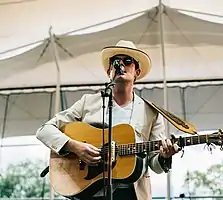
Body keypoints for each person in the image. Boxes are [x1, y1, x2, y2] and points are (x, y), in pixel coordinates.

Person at [36, 40, 180, 200]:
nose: (121, 65)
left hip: (131, 194)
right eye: (115, 62)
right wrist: (75, 146)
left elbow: (155, 165)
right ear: (109, 71)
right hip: (88, 192)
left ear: (137, 72)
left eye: (127, 61)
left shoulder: (151, 112)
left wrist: (164, 157)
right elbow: (44, 130)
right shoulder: (87, 102)